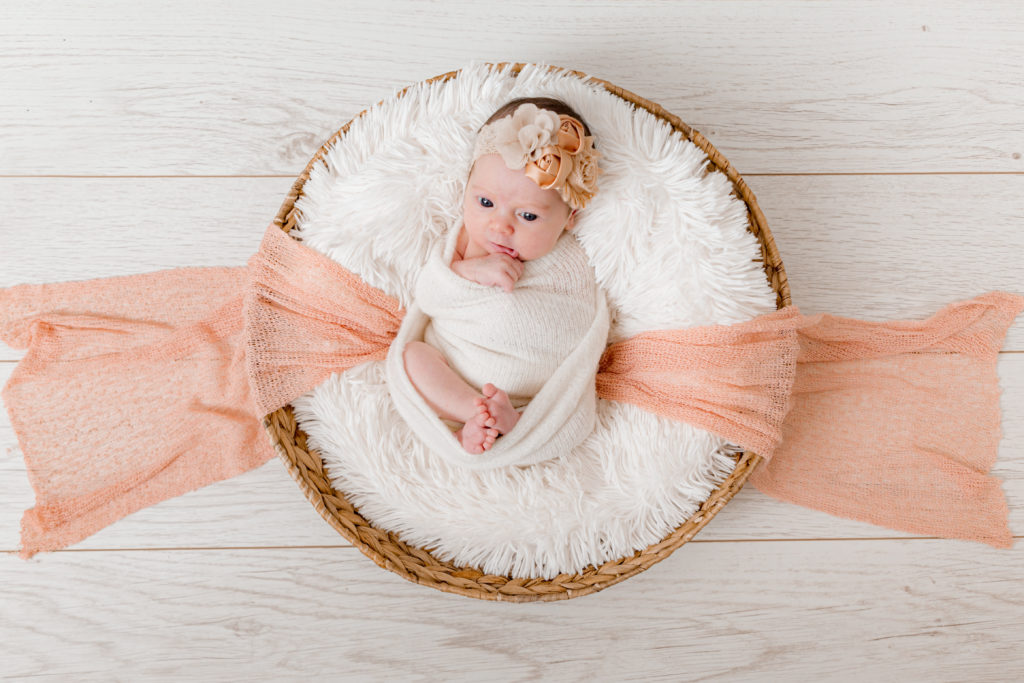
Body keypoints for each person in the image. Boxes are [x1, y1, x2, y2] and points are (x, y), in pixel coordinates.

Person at [401, 98, 601, 454]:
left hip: (535, 383)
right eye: (485, 203)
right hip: (457, 365)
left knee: (572, 413)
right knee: (413, 357)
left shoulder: (573, 255)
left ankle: (517, 422)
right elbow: (429, 295)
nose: (500, 226)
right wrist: (468, 272)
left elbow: (579, 320)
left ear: (570, 219)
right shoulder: (466, 241)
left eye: (527, 216)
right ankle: (472, 411)